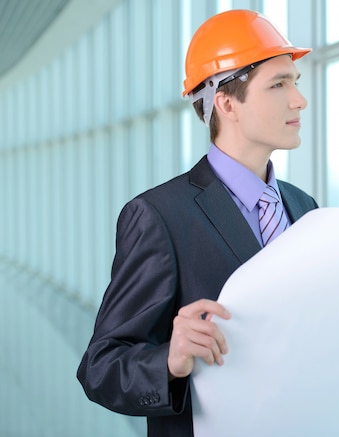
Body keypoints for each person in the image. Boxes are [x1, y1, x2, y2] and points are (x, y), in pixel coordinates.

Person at [77, 9, 318, 436]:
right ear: (227, 103)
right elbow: (101, 367)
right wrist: (170, 358)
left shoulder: (305, 209)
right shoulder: (159, 217)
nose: (298, 100)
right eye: (278, 85)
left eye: (294, 83)